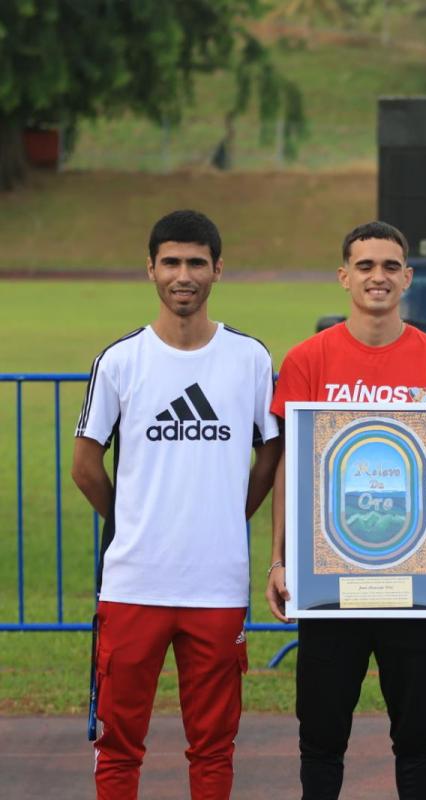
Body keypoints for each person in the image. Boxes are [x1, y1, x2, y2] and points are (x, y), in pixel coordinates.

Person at [264, 220, 426, 799]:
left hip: (411, 580)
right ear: (344, 277)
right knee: (320, 733)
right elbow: (291, 465)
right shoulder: (308, 359)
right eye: (365, 266)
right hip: (330, 580)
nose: (378, 277)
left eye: (390, 266)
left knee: (415, 733)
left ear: (407, 278)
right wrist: (279, 560)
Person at [71, 209, 281, 799]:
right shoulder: (120, 361)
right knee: (118, 745)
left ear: (218, 269)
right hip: (134, 583)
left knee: (213, 746)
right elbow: (84, 466)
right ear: (151, 269)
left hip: (216, 584)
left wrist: (229, 512)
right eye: (170, 262)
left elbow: (271, 454)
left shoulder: (249, 359)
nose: (182, 275)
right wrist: (131, 519)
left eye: (195, 262)